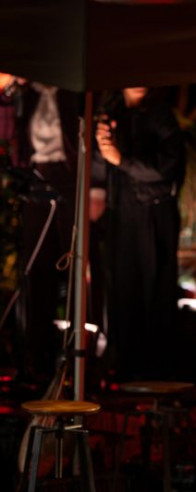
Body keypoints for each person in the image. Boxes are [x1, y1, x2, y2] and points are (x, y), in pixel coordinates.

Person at [92, 87, 185, 380]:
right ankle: (124, 367)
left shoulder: (161, 115)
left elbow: (167, 169)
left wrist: (121, 159)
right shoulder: (111, 112)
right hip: (121, 212)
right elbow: (99, 168)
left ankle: (156, 370)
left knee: (155, 287)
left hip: (154, 212)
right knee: (122, 286)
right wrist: (101, 145)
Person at [14, 82, 81, 383]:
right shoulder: (26, 95)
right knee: (38, 268)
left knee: (73, 261)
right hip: (36, 178)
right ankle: (36, 354)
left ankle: (79, 349)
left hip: (69, 176)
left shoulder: (72, 94)